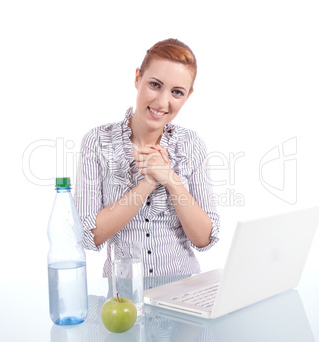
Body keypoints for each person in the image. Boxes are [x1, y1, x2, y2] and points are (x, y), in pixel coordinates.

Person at [75, 38, 220, 277]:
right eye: (155, 84)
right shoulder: (97, 141)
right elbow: (89, 234)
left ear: (188, 95)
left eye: (177, 92)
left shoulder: (191, 144)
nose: (162, 102)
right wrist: (148, 182)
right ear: (137, 78)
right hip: (123, 295)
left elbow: (204, 239)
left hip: (183, 291)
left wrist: (171, 180)